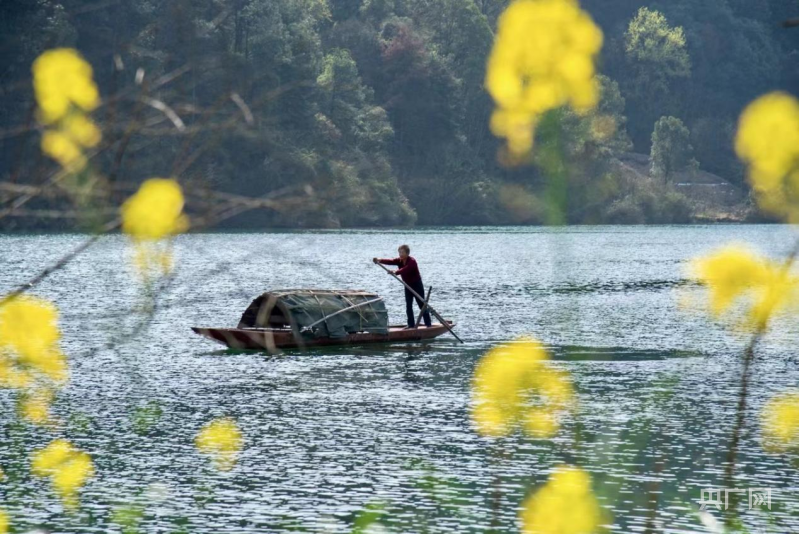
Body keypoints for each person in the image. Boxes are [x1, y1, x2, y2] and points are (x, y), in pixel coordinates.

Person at [373, 245, 432, 329]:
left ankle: (428, 324)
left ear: (407, 253)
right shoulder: (399, 260)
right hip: (407, 285)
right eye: (399, 252)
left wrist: (395, 272)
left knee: (421, 305)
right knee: (408, 305)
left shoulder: (412, 261)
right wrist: (380, 260)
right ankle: (411, 324)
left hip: (416, 285)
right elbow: (391, 261)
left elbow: (406, 269)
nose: (400, 254)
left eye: (402, 252)